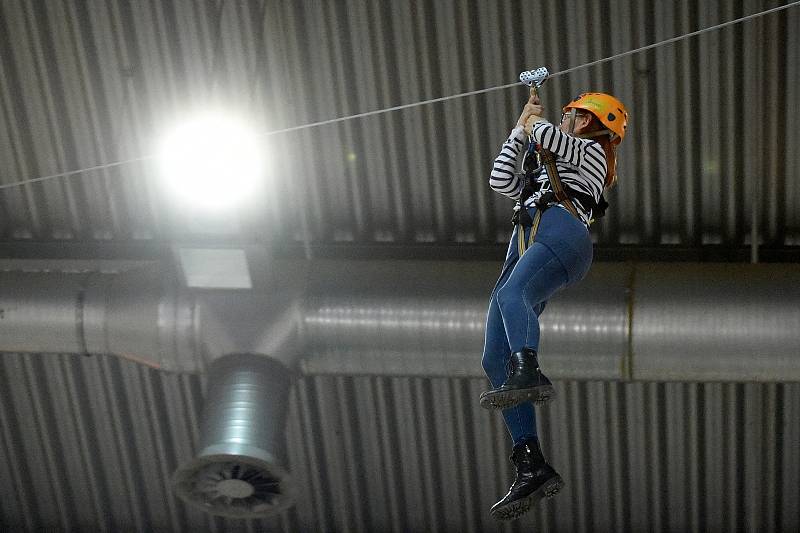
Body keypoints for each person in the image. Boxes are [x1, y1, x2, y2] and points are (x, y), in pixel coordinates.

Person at [480, 89, 628, 520]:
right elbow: (501, 181)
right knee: (493, 359)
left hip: (562, 231)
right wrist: (517, 131)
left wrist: (533, 125)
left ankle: (530, 369)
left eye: (570, 115)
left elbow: (553, 139)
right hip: (527, 240)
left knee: (512, 296)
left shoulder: (592, 154)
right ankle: (530, 463)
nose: (564, 121)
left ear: (584, 121)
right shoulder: (546, 156)